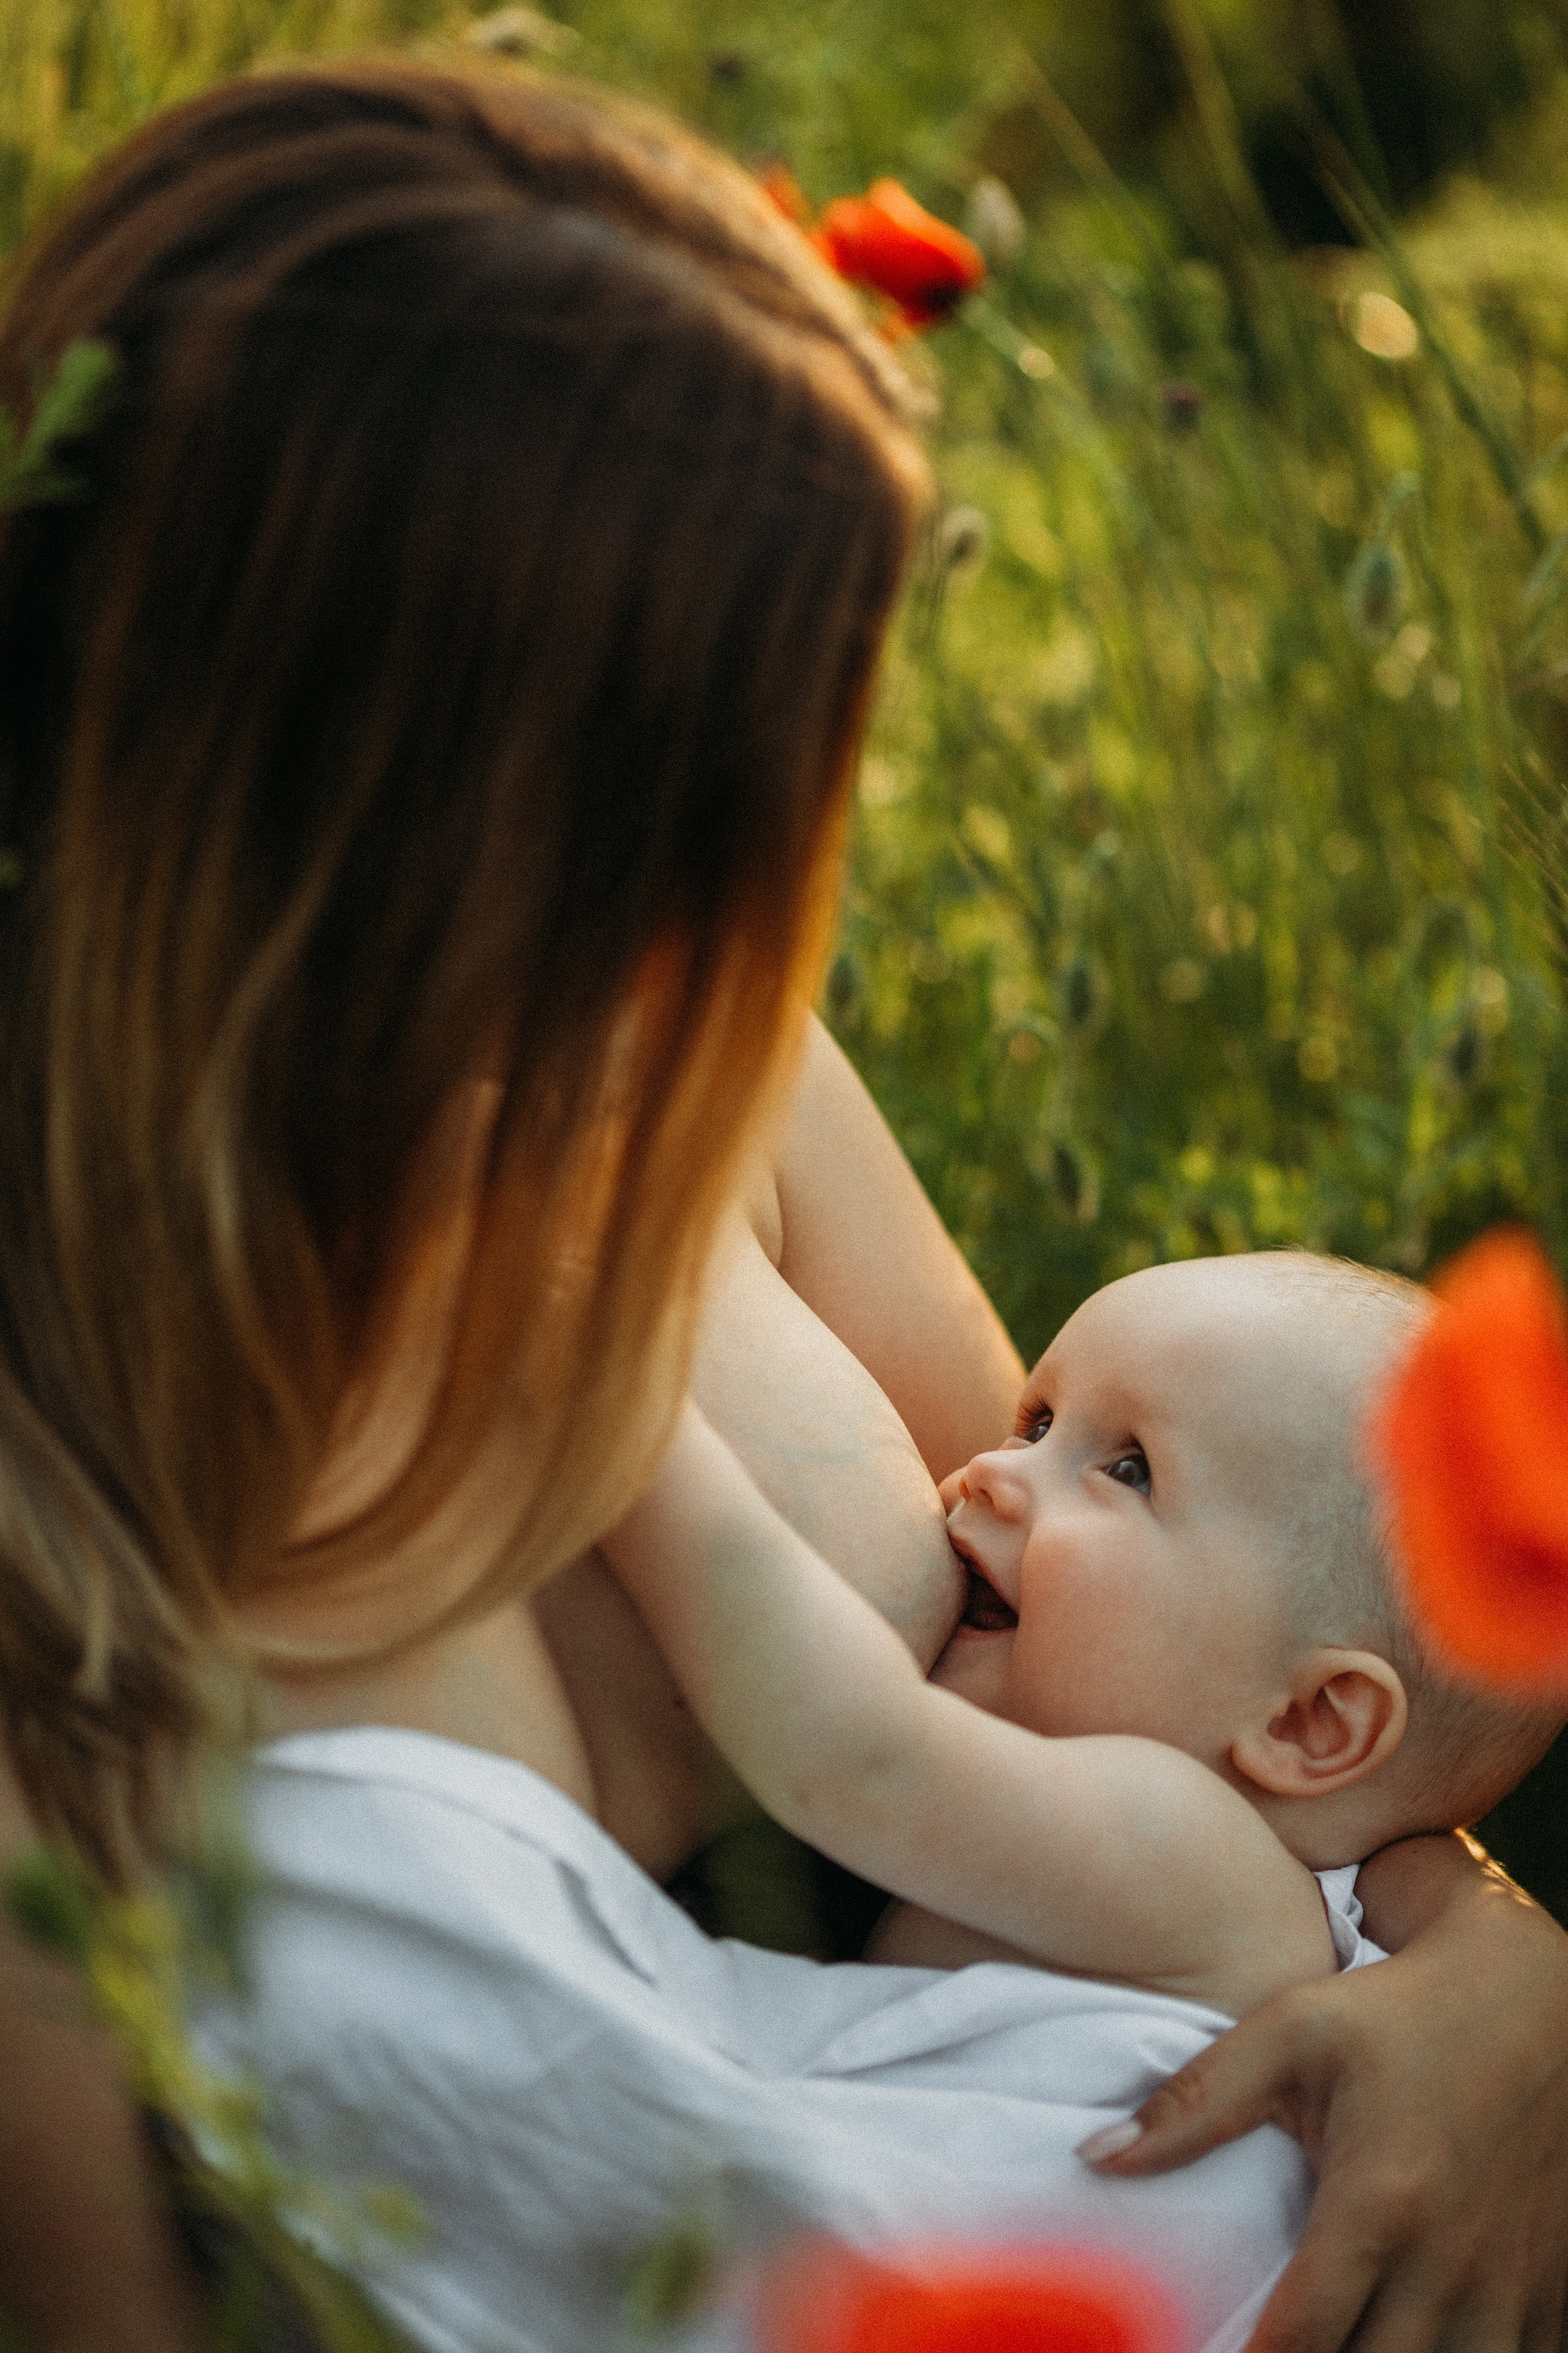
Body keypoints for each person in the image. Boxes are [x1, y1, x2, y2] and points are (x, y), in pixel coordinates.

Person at [0, 52, 1565, 2353]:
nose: (753, 898)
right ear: (401, 756)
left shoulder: (694, 1082)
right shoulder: (64, 1442)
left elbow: (1226, 1658)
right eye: (715, 776)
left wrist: (1494, 1977)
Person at [606, 1249, 1567, 2022]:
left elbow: (853, 1754)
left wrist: (624, 1417)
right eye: (1036, 1423)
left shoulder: (1209, 1865)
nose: (991, 1469)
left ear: (1308, 1721)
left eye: (1129, 1469)